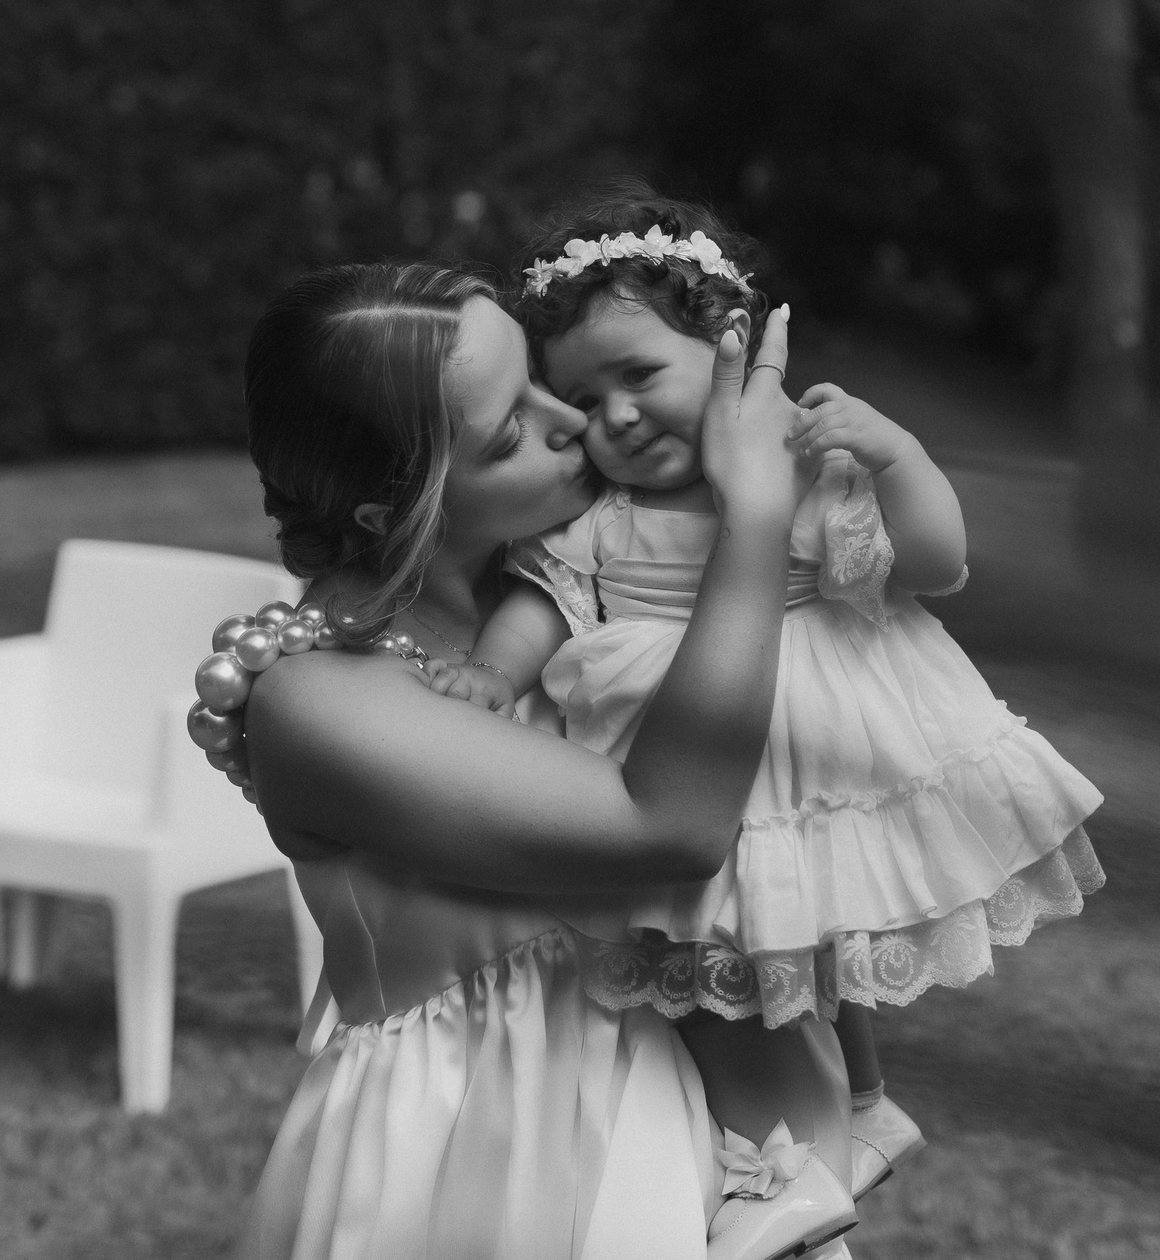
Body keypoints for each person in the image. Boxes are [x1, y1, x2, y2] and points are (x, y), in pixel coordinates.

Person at [423, 189, 1105, 1254]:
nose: (615, 416)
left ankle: (790, 1154)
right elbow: (541, 602)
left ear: (729, 344)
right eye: (582, 398)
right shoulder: (600, 514)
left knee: (800, 935)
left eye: (639, 374)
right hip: (677, 756)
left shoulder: (803, 464)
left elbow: (938, 565)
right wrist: (490, 673)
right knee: (737, 952)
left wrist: (898, 457)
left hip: (803, 735)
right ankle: (845, 1118)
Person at [217, 261, 849, 1260]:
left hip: (695, 1105)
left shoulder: (587, 587)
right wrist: (756, 517)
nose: (572, 420)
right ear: (390, 509)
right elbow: (671, 827)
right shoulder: (321, 697)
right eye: (510, 430)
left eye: (541, 379)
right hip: (478, 1144)